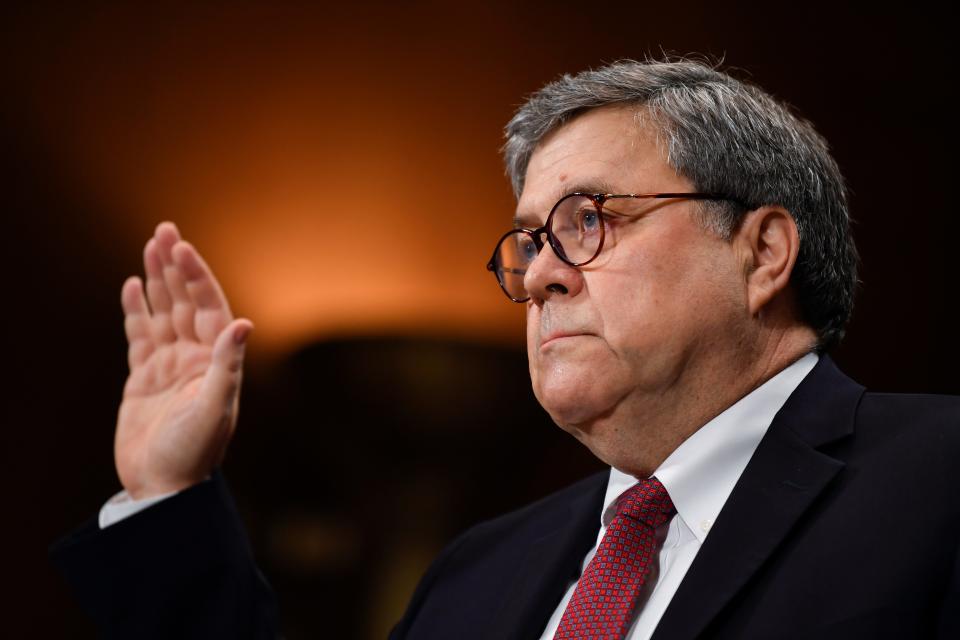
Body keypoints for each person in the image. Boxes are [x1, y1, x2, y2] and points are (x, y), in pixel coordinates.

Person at [53, 59, 959, 639]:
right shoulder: (478, 574)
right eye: (530, 242)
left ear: (761, 252)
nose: (538, 278)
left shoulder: (938, 480)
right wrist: (167, 497)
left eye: (589, 221)